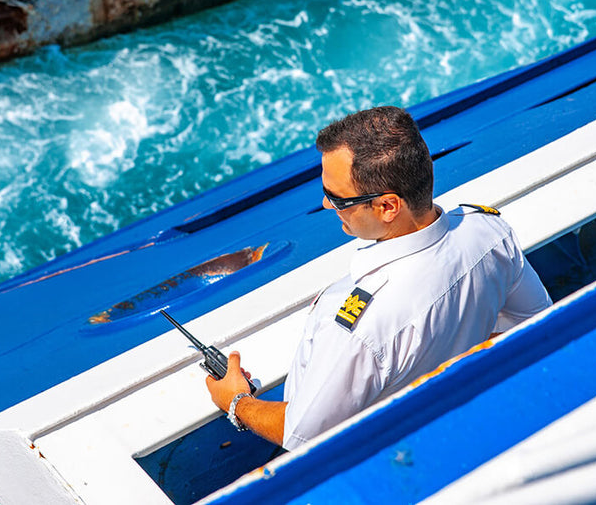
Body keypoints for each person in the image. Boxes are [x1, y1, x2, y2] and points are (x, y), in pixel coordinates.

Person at [205, 106, 552, 450]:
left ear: (387, 206)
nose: (327, 206)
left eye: (337, 198)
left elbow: (302, 435)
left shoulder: (359, 326)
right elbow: (532, 319)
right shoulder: (488, 230)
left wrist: (235, 401)